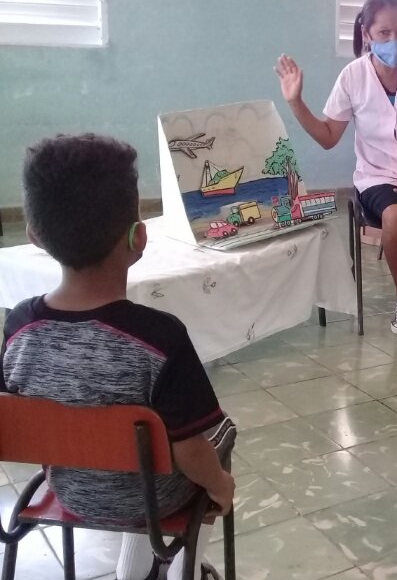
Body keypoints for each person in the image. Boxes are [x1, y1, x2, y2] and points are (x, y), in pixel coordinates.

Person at [1, 135, 236, 580]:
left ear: (35, 235)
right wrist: (220, 487)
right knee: (216, 440)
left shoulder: (18, 329)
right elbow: (189, 449)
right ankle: (185, 566)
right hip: (156, 500)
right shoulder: (160, 337)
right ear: (138, 237)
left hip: (69, 492)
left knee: (135, 441)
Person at [276, 0, 397, 336]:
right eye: (385, 33)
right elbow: (329, 136)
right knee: (396, 216)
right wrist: (296, 101)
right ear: (367, 33)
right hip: (378, 174)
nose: (395, 40)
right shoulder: (352, 76)